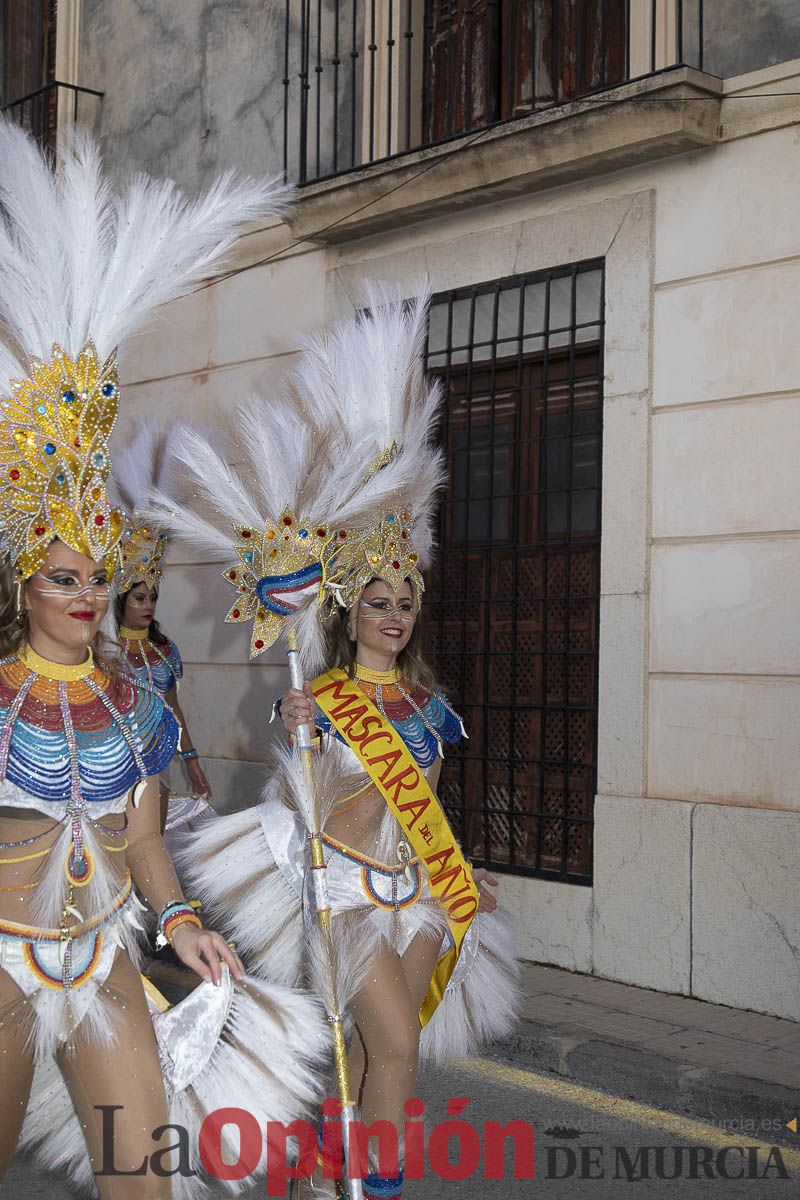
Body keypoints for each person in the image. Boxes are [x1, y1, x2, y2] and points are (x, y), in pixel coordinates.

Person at [0, 118, 326, 1200]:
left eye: (95, 577)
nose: (86, 595)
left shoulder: (134, 692)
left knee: (143, 1178)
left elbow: (142, 841)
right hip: (0, 962)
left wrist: (180, 923)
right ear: (19, 586)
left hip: (102, 959)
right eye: (62, 578)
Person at [145, 285, 521, 1199]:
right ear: (353, 609)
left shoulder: (430, 704)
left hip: (419, 894)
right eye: (379, 602)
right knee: (393, 1044)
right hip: (346, 895)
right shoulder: (316, 700)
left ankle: (331, 1173)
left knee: (378, 1053)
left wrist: (459, 866)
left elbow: (420, 803)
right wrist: (303, 744)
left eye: (406, 602)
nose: (393, 616)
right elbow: (302, 803)